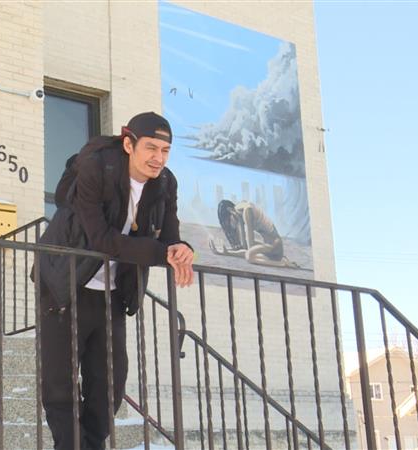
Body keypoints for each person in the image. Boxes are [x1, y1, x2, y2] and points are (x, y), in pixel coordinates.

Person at [35, 111, 194, 450]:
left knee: (109, 386)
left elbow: (169, 236)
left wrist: (182, 249)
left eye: (165, 151)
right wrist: (160, 253)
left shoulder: (165, 183)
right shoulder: (96, 167)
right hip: (65, 285)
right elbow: (101, 240)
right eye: (151, 148)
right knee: (60, 385)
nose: (158, 158)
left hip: (111, 294)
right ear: (128, 144)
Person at [209, 199, 284, 265]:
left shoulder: (247, 211)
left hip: (275, 247)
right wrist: (226, 250)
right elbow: (244, 247)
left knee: (249, 256)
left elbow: (250, 249)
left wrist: (228, 253)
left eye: (229, 221)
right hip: (268, 247)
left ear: (230, 210)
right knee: (248, 252)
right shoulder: (240, 214)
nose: (232, 226)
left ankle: (281, 264)